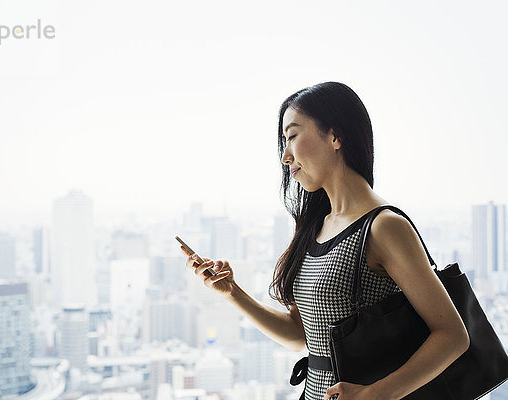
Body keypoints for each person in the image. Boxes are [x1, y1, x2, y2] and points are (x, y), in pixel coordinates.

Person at [180, 82, 469, 400]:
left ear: (335, 136)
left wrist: (373, 395)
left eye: (292, 136)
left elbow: (453, 336)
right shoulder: (315, 228)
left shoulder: (384, 228)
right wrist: (232, 292)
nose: (285, 157)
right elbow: (300, 335)